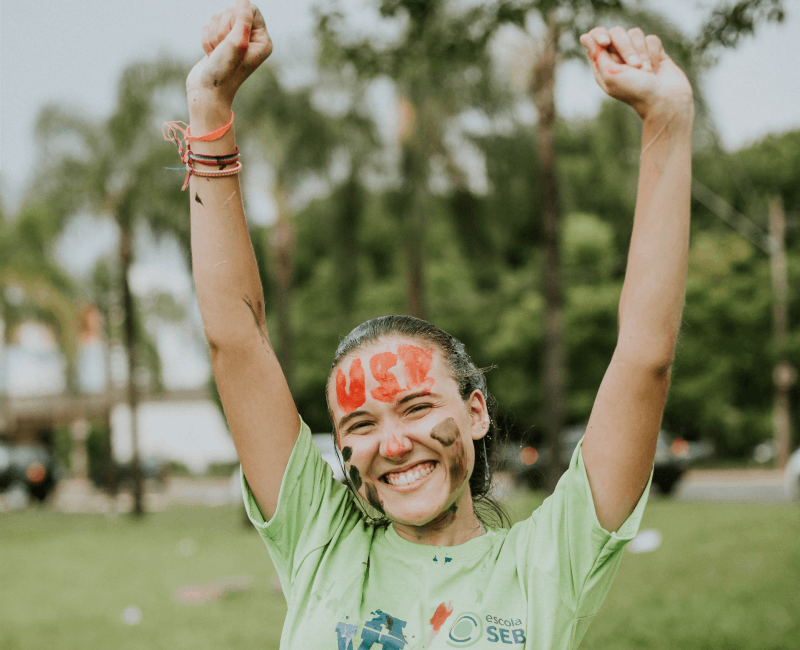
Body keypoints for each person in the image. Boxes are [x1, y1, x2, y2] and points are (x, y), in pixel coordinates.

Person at [177, 0, 693, 647]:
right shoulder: (321, 541)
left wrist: (668, 120)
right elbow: (236, 339)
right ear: (341, 452)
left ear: (475, 412)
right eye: (361, 425)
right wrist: (209, 110)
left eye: (417, 407)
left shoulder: (544, 566)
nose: (393, 444)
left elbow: (645, 355)